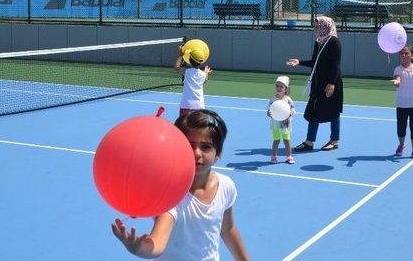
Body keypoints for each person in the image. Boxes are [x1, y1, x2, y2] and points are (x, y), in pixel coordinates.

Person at [111, 109, 250, 261]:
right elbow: (157, 243)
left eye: (206, 147)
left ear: (218, 154)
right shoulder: (171, 195)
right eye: (189, 145)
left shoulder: (226, 186)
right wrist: (140, 248)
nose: (197, 153)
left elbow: (227, 229)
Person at [286, 16, 343, 152]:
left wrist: (331, 83)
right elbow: (314, 62)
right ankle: (309, 142)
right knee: (314, 110)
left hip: (332, 82)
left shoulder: (334, 42)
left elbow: (336, 65)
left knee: (333, 111)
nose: (315, 28)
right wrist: (299, 62)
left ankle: (334, 141)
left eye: (318, 26)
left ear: (326, 26)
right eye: (315, 26)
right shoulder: (318, 42)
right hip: (318, 82)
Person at [174, 45, 212, 117]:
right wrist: (206, 72)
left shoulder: (187, 72)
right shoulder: (203, 74)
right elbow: (205, 81)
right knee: (198, 127)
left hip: (186, 105)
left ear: (189, 60)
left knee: (183, 127)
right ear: (201, 62)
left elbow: (176, 67)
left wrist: (181, 55)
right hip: (200, 107)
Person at [266, 75, 296, 164]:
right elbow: (269, 111)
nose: (278, 88)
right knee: (276, 140)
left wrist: (291, 113)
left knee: (286, 140)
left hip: (285, 123)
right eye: (277, 86)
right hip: (275, 124)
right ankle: (274, 157)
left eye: (281, 86)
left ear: (286, 89)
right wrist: (269, 114)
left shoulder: (288, 99)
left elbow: (293, 109)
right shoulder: (272, 100)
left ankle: (289, 156)